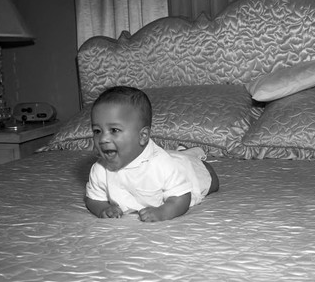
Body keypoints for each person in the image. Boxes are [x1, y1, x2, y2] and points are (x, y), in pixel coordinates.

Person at [85, 86, 219, 222]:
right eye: (97, 131)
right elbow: (93, 198)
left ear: (143, 136)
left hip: (184, 170)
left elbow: (182, 197)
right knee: (173, 158)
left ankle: (193, 157)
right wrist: (102, 208)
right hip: (164, 160)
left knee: (210, 180)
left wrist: (162, 212)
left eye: (114, 130)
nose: (103, 139)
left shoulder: (162, 164)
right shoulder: (100, 169)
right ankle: (182, 152)